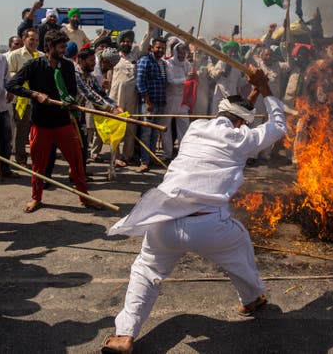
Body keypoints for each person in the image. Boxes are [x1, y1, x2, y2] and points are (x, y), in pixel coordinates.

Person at [100, 68, 287, 354]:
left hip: (164, 219)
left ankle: (124, 335)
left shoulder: (197, 128)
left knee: (145, 270)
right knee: (240, 248)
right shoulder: (242, 140)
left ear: (219, 113)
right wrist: (266, 90)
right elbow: (277, 126)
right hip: (209, 226)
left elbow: (235, 116)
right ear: (242, 124)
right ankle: (251, 299)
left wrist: (252, 92)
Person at [6, 30, 104, 212]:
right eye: (61, 47)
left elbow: (72, 90)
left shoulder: (67, 66)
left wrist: (71, 102)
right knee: (38, 165)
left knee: (76, 162)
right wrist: (34, 94)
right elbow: (12, 85)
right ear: (50, 46)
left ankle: (84, 197)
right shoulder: (34, 65)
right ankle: (37, 198)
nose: (64, 51)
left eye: (65, 47)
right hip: (41, 125)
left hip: (63, 123)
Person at [7, 27, 40, 165]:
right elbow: (8, 74)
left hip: (37, 99)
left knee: (36, 131)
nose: (34, 42)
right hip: (20, 99)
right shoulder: (15, 55)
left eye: (37, 40)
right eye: (31, 39)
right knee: (21, 131)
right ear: (24, 39)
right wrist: (24, 78)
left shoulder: (41, 56)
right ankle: (20, 159)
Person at [136, 37, 168, 173]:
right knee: (146, 133)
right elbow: (140, 83)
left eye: (162, 48)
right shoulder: (145, 61)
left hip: (160, 102)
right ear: (152, 47)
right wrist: (147, 102)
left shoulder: (163, 64)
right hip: (149, 103)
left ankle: (151, 156)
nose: (160, 50)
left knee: (155, 133)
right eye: (158, 47)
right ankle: (144, 161)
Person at [0, 33, 20, 179]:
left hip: (1, 106)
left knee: (5, 139)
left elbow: (7, 78)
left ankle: (5, 169)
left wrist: (10, 90)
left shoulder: (2, 59)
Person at [109, 31, 138, 170]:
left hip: (132, 96)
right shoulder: (114, 57)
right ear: (119, 43)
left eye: (129, 41)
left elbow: (144, 46)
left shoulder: (134, 57)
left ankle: (128, 155)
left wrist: (150, 31)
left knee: (130, 126)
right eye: (124, 41)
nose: (126, 43)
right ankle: (116, 157)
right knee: (116, 126)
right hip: (116, 96)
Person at [161, 42, 192, 161]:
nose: (182, 55)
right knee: (165, 127)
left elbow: (191, 76)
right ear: (175, 52)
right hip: (170, 99)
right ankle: (167, 153)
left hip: (182, 99)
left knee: (184, 127)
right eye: (180, 53)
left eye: (184, 53)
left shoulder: (187, 64)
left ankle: (183, 153)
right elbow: (171, 80)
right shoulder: (168, 63)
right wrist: (186, 79)